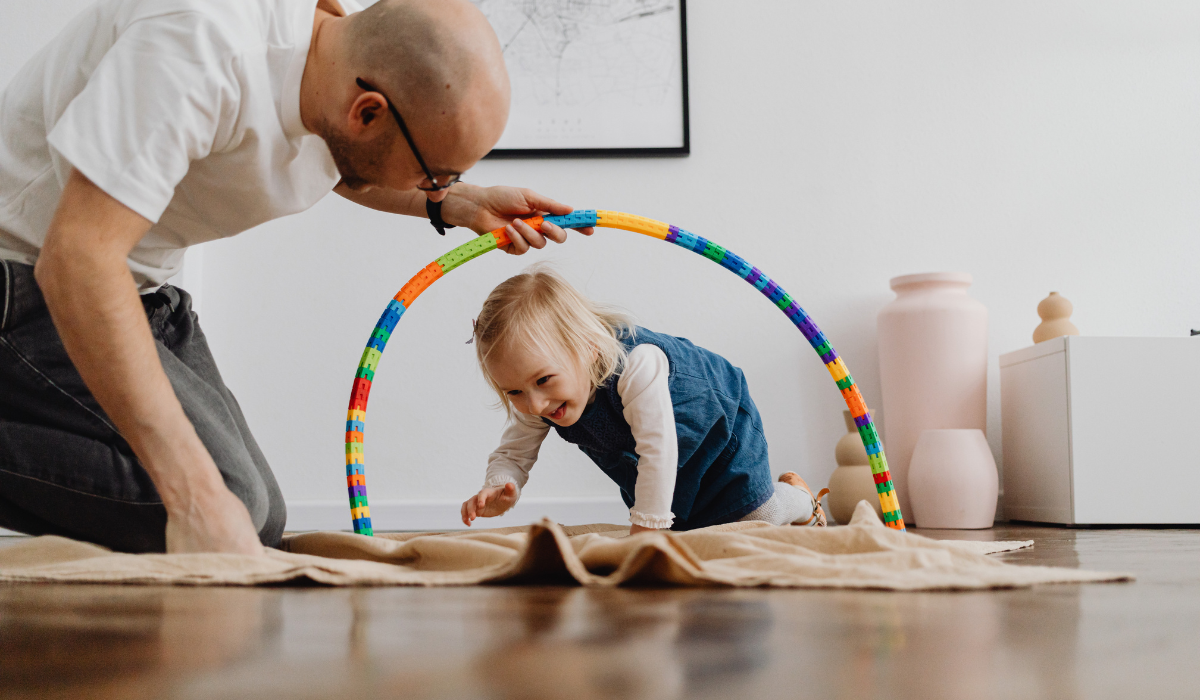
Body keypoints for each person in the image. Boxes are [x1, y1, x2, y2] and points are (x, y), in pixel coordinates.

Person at [0, 0, 592, 555]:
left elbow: (341, 164)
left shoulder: (335, 59)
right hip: (29, 277)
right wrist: (195, 497)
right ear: (368, 113)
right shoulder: (196, 49)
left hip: (144, 289)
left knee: (259, 519)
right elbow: (77, 261)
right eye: (433, 175)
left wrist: (457, 202)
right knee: (214, 503)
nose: (430, 187)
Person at [460, 267, 829, 534]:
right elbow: (514, 452)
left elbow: (658, 449)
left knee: (755, 518)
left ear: (588, 349)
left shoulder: (638, 365)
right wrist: (500, 483)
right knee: (690, 528)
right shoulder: (539, 394)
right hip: (662, 456)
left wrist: (647, 528)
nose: (536, 404)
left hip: (721, 426)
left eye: (543, 380)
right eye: (514, 392)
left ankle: (797, 498)